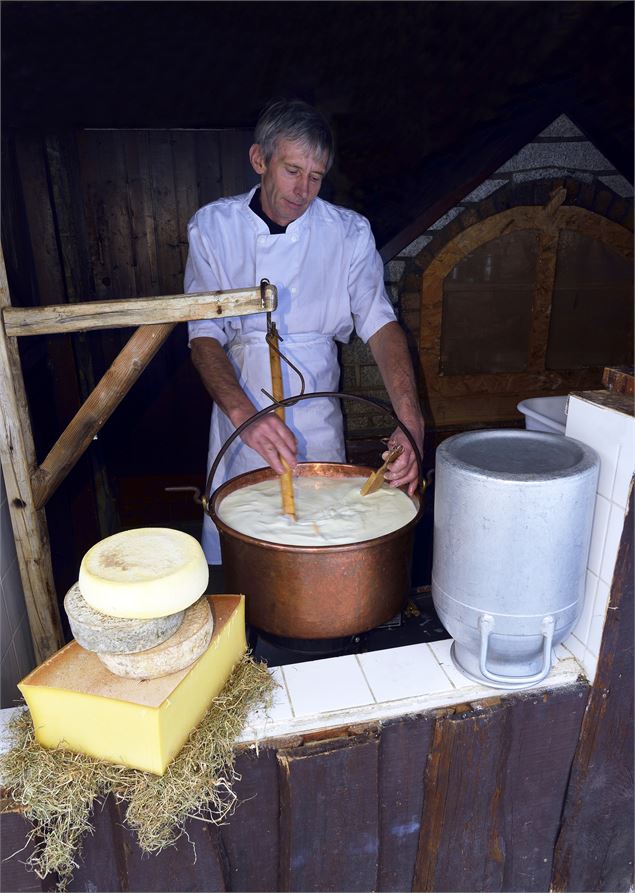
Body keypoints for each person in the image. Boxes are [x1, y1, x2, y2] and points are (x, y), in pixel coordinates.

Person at [185, 98, 424, 564]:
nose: (303, 190)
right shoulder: (214, 227)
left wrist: (410, 417)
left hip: (319, 408)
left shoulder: (347, 232)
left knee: (324, 543)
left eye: (316, 177)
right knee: (246, 547)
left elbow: (380, 324)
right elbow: (204, 336)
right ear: (260, 160)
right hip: (241, 411)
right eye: (292, 171)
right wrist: (244, 414)